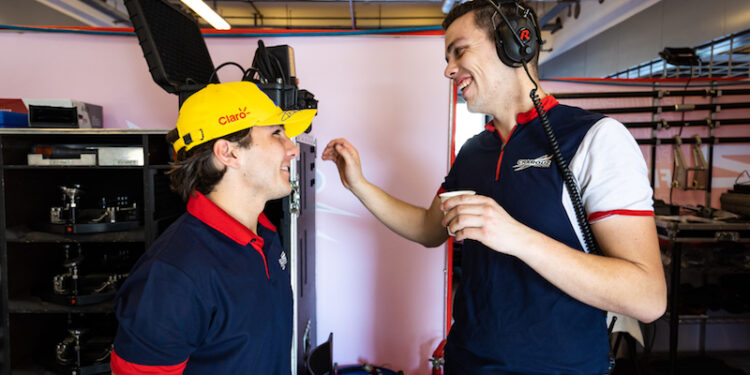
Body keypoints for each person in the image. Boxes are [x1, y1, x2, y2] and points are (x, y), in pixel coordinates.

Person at [322, 1, 666, 373]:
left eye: (459, 51)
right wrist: (358, 185)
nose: (448, 69)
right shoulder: (475, 150)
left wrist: (516, 236)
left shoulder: (595, 138)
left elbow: (646, 297)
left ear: (513, 44)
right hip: (467, 361)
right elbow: (427, 229)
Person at [110, 81, 316, 374]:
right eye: (276, 134)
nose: (293, 149)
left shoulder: (266, 236)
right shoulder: (172, 275)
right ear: (229, 153)